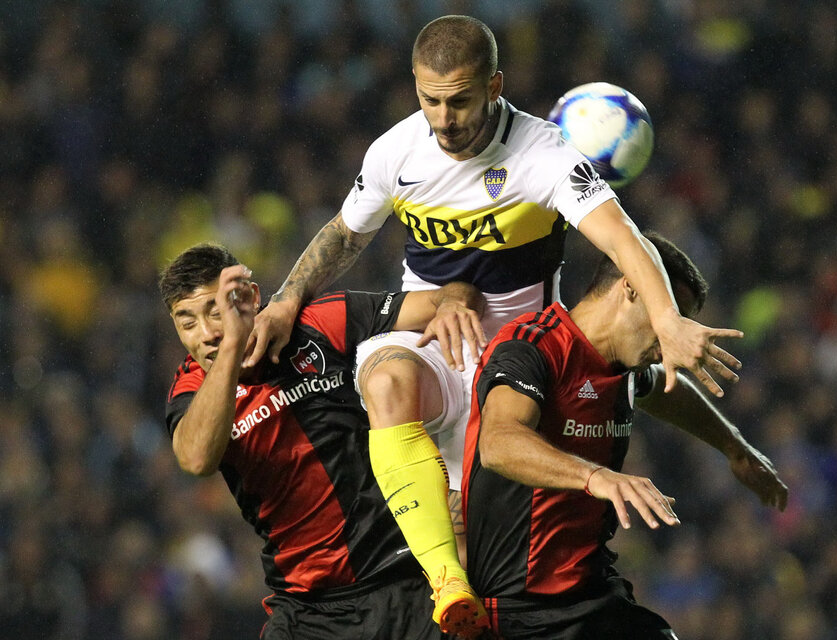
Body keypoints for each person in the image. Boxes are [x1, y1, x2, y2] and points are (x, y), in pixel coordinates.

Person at [242, 14, 743, 636]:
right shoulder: (396, 152)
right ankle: (445, 585)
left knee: (498, 546)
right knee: (386, 380)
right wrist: (289, 298)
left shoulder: (544, 154)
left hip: (515, 364)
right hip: (431, 339)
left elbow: (623, 238)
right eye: (431, 100)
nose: (445, 119)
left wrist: (667, 321)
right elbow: (345, 233)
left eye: (460, 101)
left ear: (494, 85)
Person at [461, 233, 789, 639]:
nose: (671, 343)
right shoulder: (533, 345)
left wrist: (734, 446)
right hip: (514, 605)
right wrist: (597, 476)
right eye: (670, 319)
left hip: (591, 593)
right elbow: (498, 443)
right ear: (632, 286)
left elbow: (666, 392)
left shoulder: (624, 368)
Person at [158, 243, 488, 639]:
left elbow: (451, 296)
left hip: (409, 582)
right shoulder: (193, 391)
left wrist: (453, 304)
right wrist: (232, 346)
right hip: (309, 607)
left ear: (251, 298)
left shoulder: (318, 324)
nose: (208, 333)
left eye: (217, 311)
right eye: (187, 322)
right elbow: (196, 460)